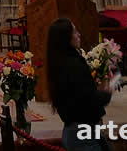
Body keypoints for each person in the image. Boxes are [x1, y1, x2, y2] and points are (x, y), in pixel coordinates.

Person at [45, 17, 120, 151]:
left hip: (76, 130)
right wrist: (106, 92)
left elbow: (77, 96)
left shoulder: (59, 62)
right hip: (83, 134)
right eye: (74, 32)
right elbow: (87, 101)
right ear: (65, 37)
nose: (78, 34)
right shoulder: (73, 65)